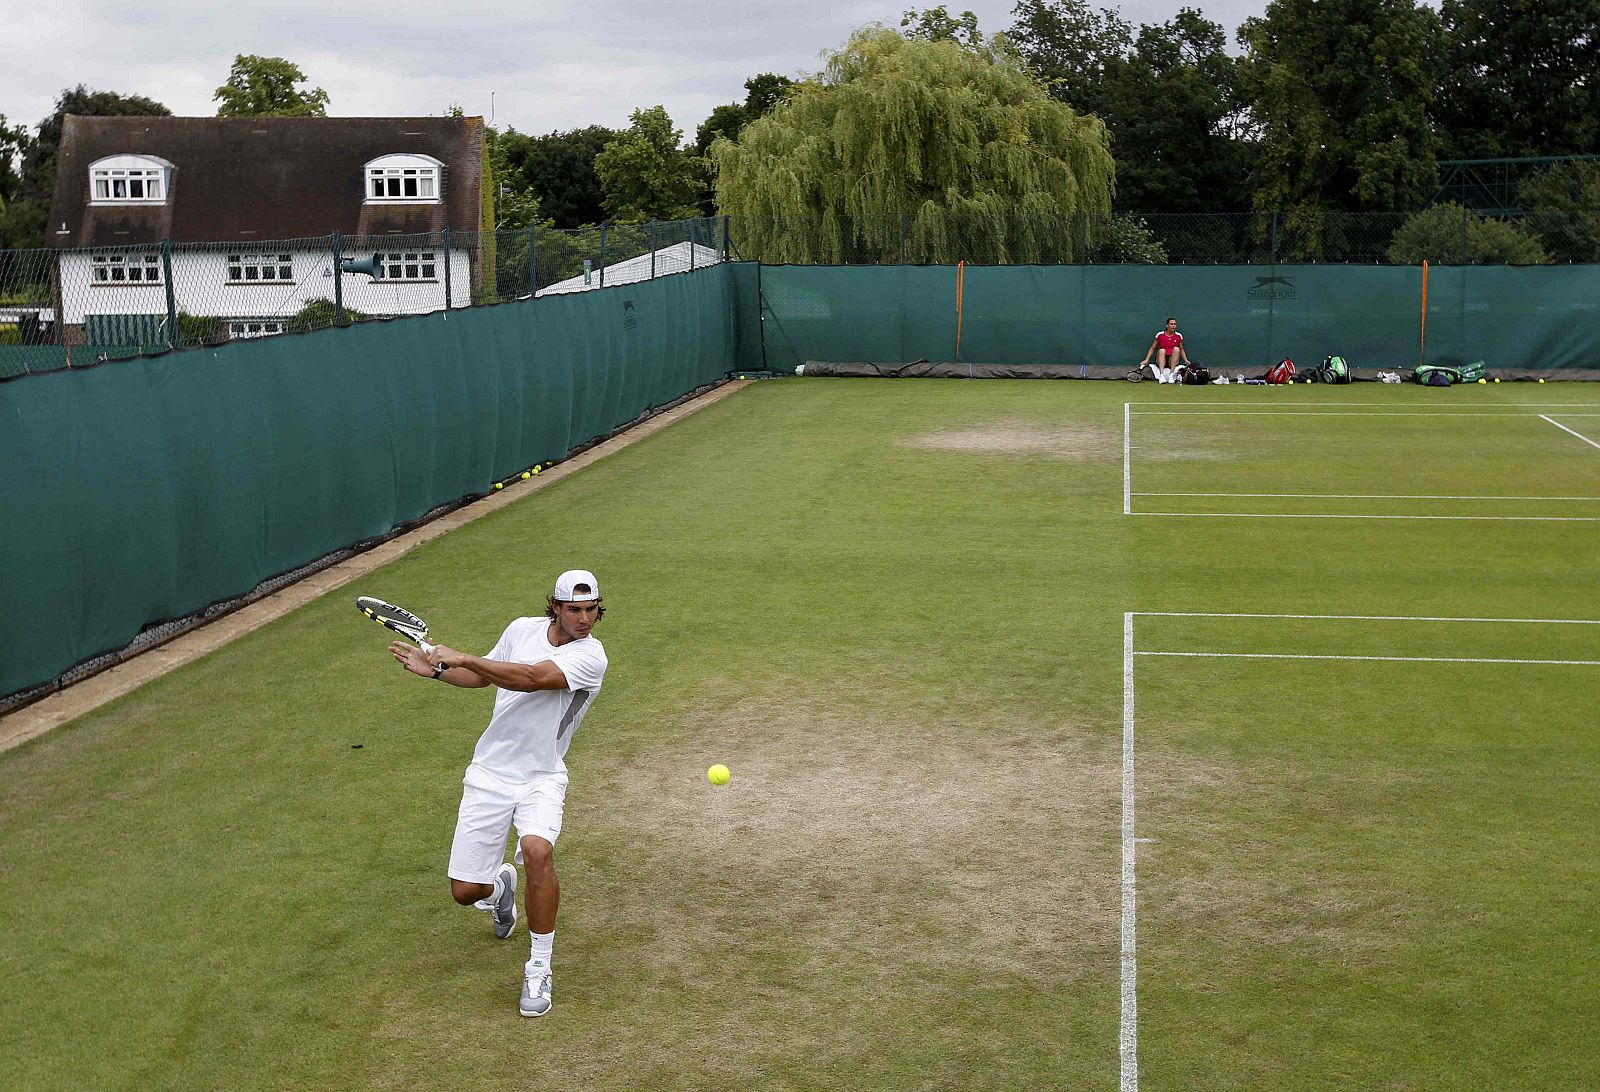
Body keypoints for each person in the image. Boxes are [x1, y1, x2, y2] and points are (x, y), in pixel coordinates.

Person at [389, 569, 609, 1018]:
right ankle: (500, 889)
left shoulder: (592, 657)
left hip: (541, 776)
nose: (584, 619)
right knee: (465, 891)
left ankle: (539, 966)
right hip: (488, 773)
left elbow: (528, 678)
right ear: (556, 607)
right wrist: (437, 671)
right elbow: (485, 680)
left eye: (591, 610)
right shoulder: (519, 629)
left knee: (537, 852)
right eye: (574, 610)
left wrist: (463, 655)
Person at [1137, 317, 1191, 384]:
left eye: (1175, 324)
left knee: (1177, 349)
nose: (1173, 326)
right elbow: (1152, 348)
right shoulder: (1160, 335)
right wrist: (1146, 360)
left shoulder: (1178, 335)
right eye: (1171, 324)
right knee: (1162, 350)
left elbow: (1182, 349)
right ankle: (1161, 376)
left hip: (1172, 360)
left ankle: (1171, 376)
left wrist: (1185, 360)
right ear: (1167, 325)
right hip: (1161, 359)